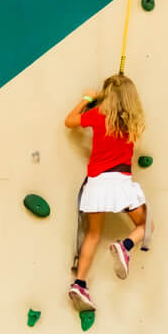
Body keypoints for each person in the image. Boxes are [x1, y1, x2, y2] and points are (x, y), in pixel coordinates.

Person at [64, 74, 149, 312]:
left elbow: (69, 121)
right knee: (147, 226)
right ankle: (126, 247)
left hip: (96, 182)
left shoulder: (98, 115)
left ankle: (79, 284)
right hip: (119, 181)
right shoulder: (132, 121)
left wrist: (87, 99)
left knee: (93, 234)